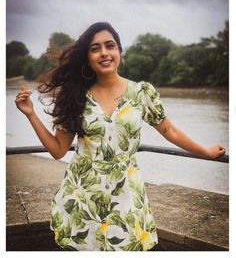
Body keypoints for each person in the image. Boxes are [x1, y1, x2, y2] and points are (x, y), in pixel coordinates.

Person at [15, 22, 226, 251]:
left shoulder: (141, 92)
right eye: (95, 48)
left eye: (110, 46)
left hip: (126, 194)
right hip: (83, 198)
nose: (104, 53)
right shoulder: (75, 96)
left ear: (119, 52)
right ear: (87, 58)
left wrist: (205, 152)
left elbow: (170, 131)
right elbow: (58, 150)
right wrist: (31, 114)